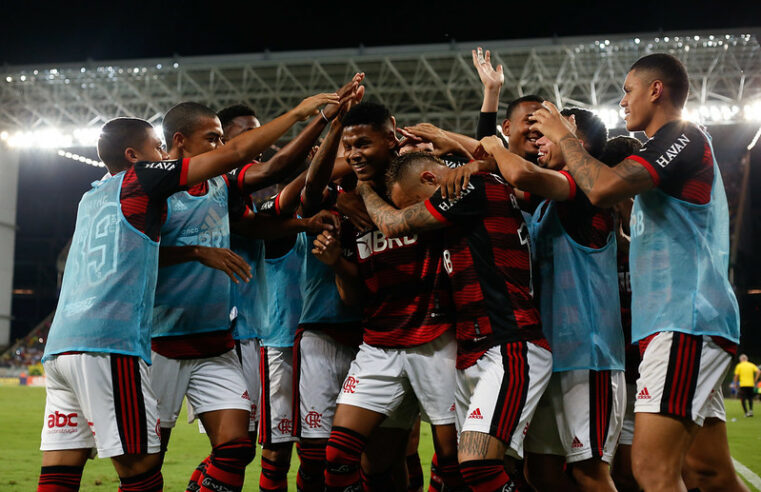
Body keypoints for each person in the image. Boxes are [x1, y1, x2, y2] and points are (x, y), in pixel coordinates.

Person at [36, 108, 321, 491]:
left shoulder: (91, 197)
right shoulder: (143, 183)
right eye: (157, 148)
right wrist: (305, 112)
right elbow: (239, 156)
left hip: (65, 345)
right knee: (142, 471)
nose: (162, 155)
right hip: (117, 342)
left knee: (61, 471)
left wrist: (301, 221)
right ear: (136, 158)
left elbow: (260, 195)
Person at [530, 53, 746, 492]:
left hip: (686, 321)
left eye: (629, 90)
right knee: (710, 474)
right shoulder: (661, 153)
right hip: (677, 324)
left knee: (651, 470)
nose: (622, 101)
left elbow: (603, 187)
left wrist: (563, 136)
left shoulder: (682, 135)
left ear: (656, 90)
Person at [148, 94, 339, 492]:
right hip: (160, 340)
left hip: (216, 341)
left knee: (237, 448)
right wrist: (197, 252)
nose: (223, 150)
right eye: (214, 140)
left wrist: (303, 225)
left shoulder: (222, 184)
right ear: (181, 140)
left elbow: (269, 187)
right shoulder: (150, 187)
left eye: (223, 140)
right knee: (149, 460)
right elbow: (135, 255)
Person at [354, 151, 553, 491]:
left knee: (478, 466)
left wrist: (363, 190)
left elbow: (392, 224)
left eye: (415, 203)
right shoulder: (467, 193)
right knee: (487, 470)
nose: (418, 215)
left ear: (431, 179)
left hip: (509, 345)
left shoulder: (471, 187)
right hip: (475, 350)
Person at [313, 102, 465, 491]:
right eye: (349, 146)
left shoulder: (420, 179)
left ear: (391, 133)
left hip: (436, 339)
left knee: (454, 459)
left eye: (363, 142)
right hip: (379, 343)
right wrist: (335, 263)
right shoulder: (346, 204)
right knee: (352, 459)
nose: (354, 154)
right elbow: (354, 295)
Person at [476, 108, 624, 492]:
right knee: (539, 473)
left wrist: (494, 143)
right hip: (548, 358)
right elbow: (502, 172)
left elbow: (518, 172)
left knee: (588, 474)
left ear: (577, 138)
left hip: (587, 358)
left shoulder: (582, 189)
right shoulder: (545, 203)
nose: (536, 142)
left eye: (543, 134)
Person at [600, 135, 644, 492]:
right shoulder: (590, 254)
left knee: (637, 473)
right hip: (607, 371)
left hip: (641, 372)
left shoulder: (640, 250)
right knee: (614, 474)